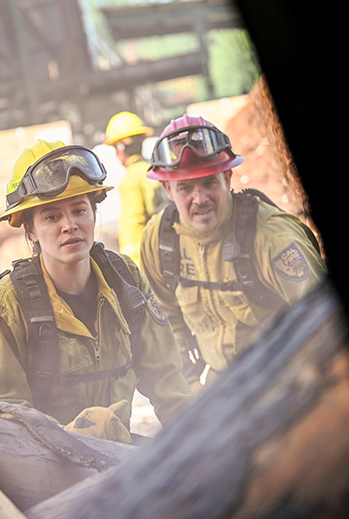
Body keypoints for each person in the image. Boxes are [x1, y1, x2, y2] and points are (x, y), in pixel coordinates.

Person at [0, 139, 193, 443]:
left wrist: (201, 437)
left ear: (93, 213)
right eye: (52, 216)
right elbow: (0, 415)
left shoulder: (125, 280)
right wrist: (71, 437)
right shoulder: (5, 307)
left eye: (79, 209)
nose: (70, 225)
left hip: (118, 455)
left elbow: (167, 379)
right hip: (44, 468)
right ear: (30, 230)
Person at [139, 114, 327, 388]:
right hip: (224, 387)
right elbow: (166, 321)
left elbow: (326, 323)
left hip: (290, 382)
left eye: (209, 183)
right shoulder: (158, 240)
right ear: (167, 188)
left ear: (227, 178)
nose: (199, 199)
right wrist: (189, 381)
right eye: (186, 187)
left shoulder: (272, 237)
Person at [103, 111, 166, 266]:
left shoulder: (131, 179)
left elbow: (133, 229)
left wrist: (132, 270)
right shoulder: (153, 170)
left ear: (121, 148)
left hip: (146, 262)